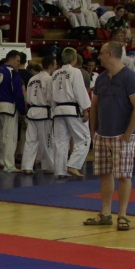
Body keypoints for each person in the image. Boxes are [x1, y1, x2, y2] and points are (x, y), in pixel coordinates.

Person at [84, 41, 135, 232]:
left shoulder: (130, 78)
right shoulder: (102, 78)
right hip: (103, 134)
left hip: (122, 135)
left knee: (124, 175)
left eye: (101, 53)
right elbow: (94, 106)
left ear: (110, 54)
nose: (99, 56)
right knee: (104, 173)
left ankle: (123, 214)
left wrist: (128, 133)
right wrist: (93, 131)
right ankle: (106, 212)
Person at [51, 47, 91, 178]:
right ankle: (73, 165)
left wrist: (53, 109)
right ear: (74, 58)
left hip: (58, 110)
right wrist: (85, 109)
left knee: (60, 141)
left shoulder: (55, 73)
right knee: (84, 138)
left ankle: (59, 170)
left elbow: (51, 94)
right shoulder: (75, 72)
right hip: (72, 110)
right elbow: (80, 91)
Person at [0, 50, 26, 172]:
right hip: (8, 106)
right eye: (17, 61)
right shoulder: (13, 73)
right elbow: (18, 93)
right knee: (9, 137)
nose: (18, 63)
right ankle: (9, 165)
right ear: (11, 59)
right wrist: (22, 111)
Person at [19, 55, 55, 174]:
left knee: (30, 141)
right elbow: (50, 97)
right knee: (46, 141)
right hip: (44, 112)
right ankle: (48, 166)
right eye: (55, 64)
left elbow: (27, 97)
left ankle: (27, 166)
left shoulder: (32, 78)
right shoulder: (49, 79)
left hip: (32, 112)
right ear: (51, 66)